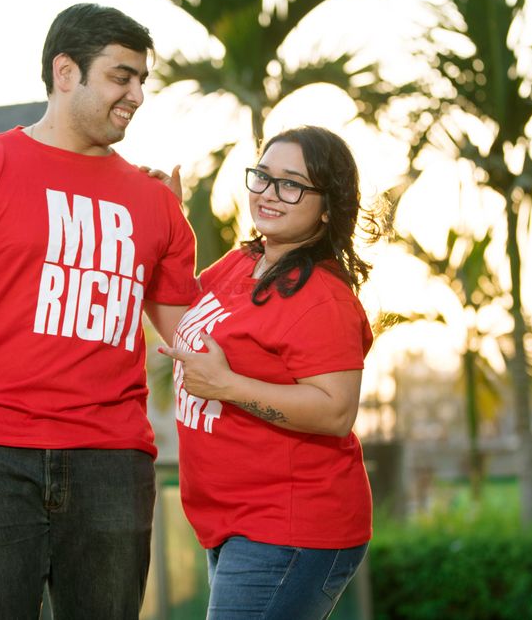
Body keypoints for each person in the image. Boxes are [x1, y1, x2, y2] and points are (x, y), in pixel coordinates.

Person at [0, 3, 197, 619]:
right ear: (66, 72)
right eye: (121, 76)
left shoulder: (156, 202)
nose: (137, 94)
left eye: (142, 80)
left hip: (112, 462)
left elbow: (192, 337)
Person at [158, 126, 384, 619]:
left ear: (327, 206)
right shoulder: (245, 262)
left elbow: (336, 411)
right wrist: (168, 223)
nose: (268, 193)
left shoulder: (322, 298)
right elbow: (181, 326)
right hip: (237, 522)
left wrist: (228, 386)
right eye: (263, 176)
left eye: (292, 184)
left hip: (291, 528)